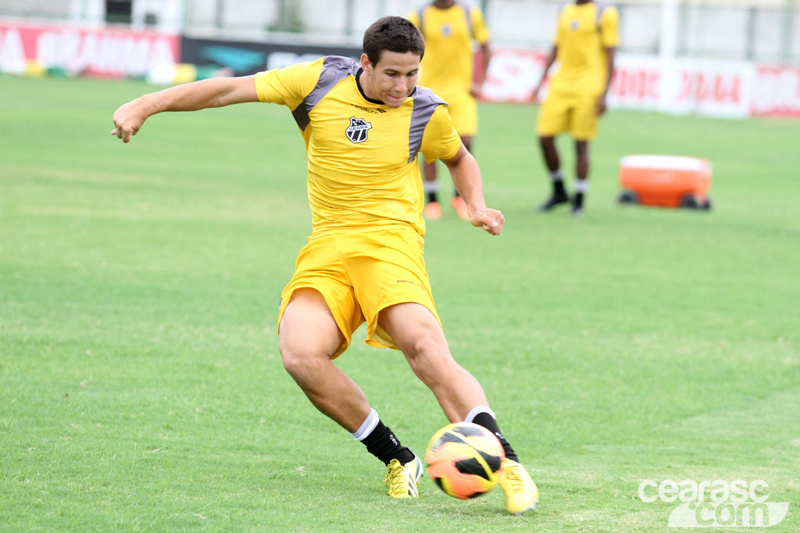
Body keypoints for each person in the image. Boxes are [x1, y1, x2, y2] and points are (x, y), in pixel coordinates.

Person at [111, 16, 538, 514]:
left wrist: (477, 205)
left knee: (424, 348)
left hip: (390, 245)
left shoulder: (426, 110)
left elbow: (459, 158)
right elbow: (227, 90)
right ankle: (397, 457)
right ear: (365, 63)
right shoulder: (315, 83)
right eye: (393, 74)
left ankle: (507, 464)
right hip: (329, 247)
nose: (404, 86)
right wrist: (145, 104)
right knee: (300, 353)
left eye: (412, 74)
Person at [532, 0, 618, 215]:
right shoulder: (565, 9)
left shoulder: (604, 12)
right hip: (561, 84)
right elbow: (556, 46)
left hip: (588, 87)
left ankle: (579, 200)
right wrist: (540, 80)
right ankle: (559, 189)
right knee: (544, 138)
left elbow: (610, 54)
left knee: (581, 143)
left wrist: (604, 93)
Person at [408, 0, 491, 220]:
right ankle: (433, 201)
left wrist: (479, 82)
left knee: (466, 142)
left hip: (462, 91)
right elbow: (405, 49)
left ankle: (459, 198)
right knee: (429, 147)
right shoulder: (420, 15)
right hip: (430, 92)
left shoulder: (468, 13)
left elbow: (485, 47)